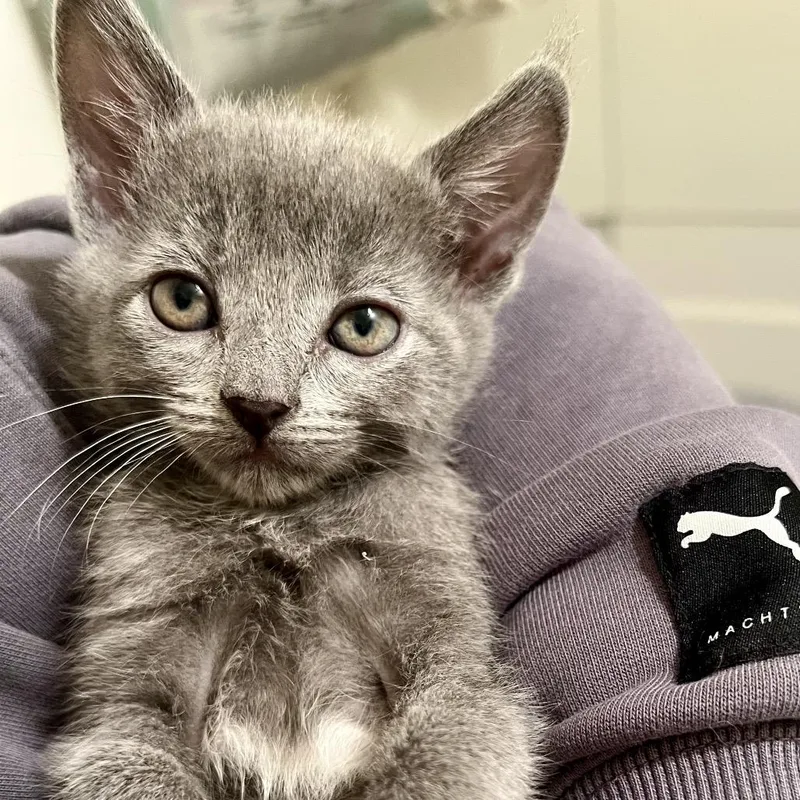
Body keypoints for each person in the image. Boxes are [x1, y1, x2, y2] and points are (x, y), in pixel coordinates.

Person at [1, 195, 799, 800]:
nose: (260, 392)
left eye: (360, 325)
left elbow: (469, 709)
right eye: (187, 301)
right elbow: (120, 731)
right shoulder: (132, 501)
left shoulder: (419, 506)